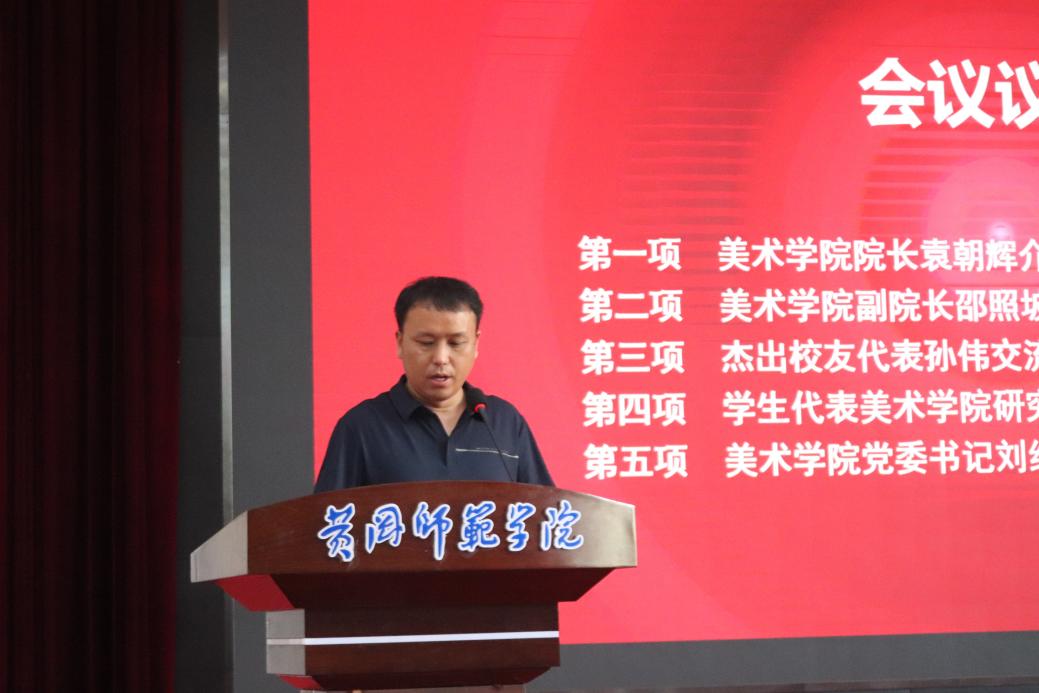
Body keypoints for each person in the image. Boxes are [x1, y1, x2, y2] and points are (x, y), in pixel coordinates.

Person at [314, 276, 554, 491]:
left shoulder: (504, 422)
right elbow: (327, 520)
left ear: (475, 344)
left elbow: (548, 515)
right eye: (426, 343)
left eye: (456, 343)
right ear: (400, 343)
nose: (440, 358)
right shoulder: (362, 427)